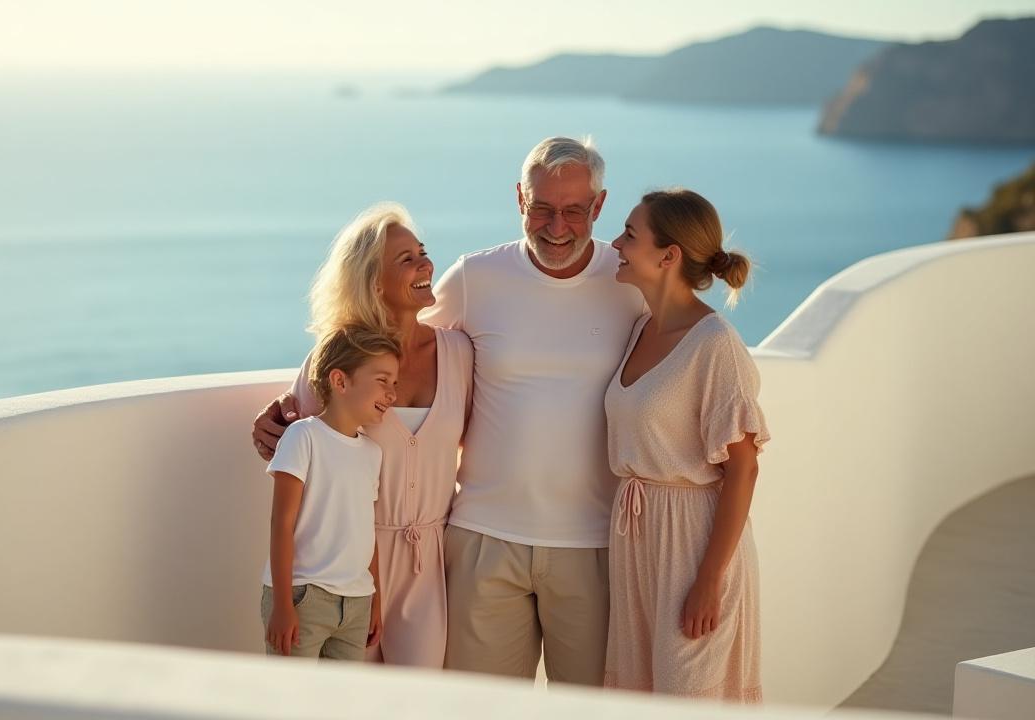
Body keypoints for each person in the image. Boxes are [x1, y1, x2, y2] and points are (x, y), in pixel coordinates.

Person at [419, 137, 645, 685]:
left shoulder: (631, 283)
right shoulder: (475, 278)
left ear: (599, 206)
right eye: (542, 207)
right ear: (520, 199)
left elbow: (690, 351)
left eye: (573, 210)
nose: (557, 226)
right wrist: (301, 396)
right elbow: (392, 343)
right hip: (483, 537)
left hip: (595, 544)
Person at [253, 203, 474, 667]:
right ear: (375, 284)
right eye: (406, 260)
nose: (425, 265)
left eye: (422, 252)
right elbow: (296, 433)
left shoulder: (460, 354)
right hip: (347, 567)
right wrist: (268, 421)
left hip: (429, 565)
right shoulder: (337, 362)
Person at [603, 189, 768, 701]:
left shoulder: (715, 344)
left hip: (693, 543)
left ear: (668, 256)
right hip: (637, 540)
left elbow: (743, 469)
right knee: (639, 696)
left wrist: (709, 581)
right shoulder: (639, 329)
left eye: (630, 234)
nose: (615, 243)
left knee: (689, 699)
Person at [262, 324, 399, 660]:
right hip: (303, 597)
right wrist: (282, 605)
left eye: (394, 383)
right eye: (382, 381)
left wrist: (375, 600)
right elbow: (282, 524)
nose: (392, 394)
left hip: (356, 605)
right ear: (340, 381)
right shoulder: (303, 437)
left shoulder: (372, 453)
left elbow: (367, 531)